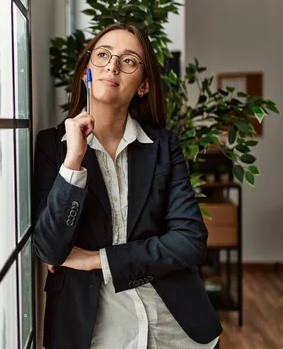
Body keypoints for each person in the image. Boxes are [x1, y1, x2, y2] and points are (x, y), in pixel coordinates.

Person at [32, 23, 222, 349]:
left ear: (144, 85)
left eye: (129, 60)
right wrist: (74, 160)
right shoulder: (53, 146)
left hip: (176, 330)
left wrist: (97, 259)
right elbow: (50, 248)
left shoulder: (163, 146)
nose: (113, 65)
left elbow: (190, 241)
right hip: (93, 332)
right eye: (103, 55)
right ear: (85, 72)